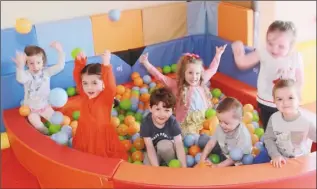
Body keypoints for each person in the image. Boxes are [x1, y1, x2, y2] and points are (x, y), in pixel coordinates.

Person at [231, 20, 304, 131]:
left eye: (281, 46)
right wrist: (238, 54)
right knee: (269, 130)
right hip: (266, 101)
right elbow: (243, 63)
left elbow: (300, 80)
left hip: (287, 104)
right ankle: (270, 145)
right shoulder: (263, 52)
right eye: (270, 43)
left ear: (291, 46)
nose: (274, 49)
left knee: (287, 131)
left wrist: (297, 96)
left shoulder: (295, 57)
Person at [139, 45, 227, 136]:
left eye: (197, 73)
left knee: (217, 126)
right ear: (183, 72)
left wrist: (218, 55)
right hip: (188, 121)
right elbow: (160, 77)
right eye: (190, 73)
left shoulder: (201, 81)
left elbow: (212, 69)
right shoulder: (177, 85)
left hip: (204, 116)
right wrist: (146, 63)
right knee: (190, 137)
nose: (194, 77)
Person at [72, 50, 128, 160]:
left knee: (101, 160)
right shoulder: (84, 94)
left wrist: (106, 65)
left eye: (94, 83)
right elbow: (77, 78)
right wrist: (80, 62)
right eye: (85, 83)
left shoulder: (105, 98)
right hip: (85, 134)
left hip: (101, 138)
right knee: (85, 157)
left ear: (103, 84)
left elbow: (111, 86)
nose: (89, 87)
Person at [12, 42, 65, 134]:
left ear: (43, 62)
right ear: (26, 63)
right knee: (37, 124)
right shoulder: (27, 75)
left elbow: (60, 66)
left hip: (45, 106)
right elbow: (21, 79)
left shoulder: (46, 72)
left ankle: (57, 133)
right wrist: (20, 67)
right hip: (32, 109)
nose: (35, 66)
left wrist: (60, 51)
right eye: (31, 63)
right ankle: (46, 134)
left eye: (38, 62)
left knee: (57, 123)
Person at [262, 79, 316, 168]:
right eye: (279, 99)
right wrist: (275, 155)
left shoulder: (305, 122)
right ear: (274, 101)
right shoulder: (274, 118)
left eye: (290, 98)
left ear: (299, 98)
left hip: (299, 162)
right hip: (279, 158)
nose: (285, 102)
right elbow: (268, 138)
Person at [140, 87, 187, 167]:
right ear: (150, 108)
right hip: (153, 150)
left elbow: (178, 144)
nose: (162, 114)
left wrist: (183, 167)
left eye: (167, 110)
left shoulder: (173, 122)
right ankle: (161, 165)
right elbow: (150, 147)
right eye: (158, 109)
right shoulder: (146, 123)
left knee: (163, 146)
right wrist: (156, 168)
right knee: (147, 165)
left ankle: (169, 164)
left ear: (172, 110)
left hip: (168, 149)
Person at [200, 97, 253, 167]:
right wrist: (202, 159)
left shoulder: (243, 135)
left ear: (240, 120)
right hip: (224, 150)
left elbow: (235, 157)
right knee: (203, 139)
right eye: (220, 121)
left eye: (226, 123)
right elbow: (211, 143)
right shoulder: (221, 126)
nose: (222, 125)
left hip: (236, 160)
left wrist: (218, 166)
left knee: (243, 158)